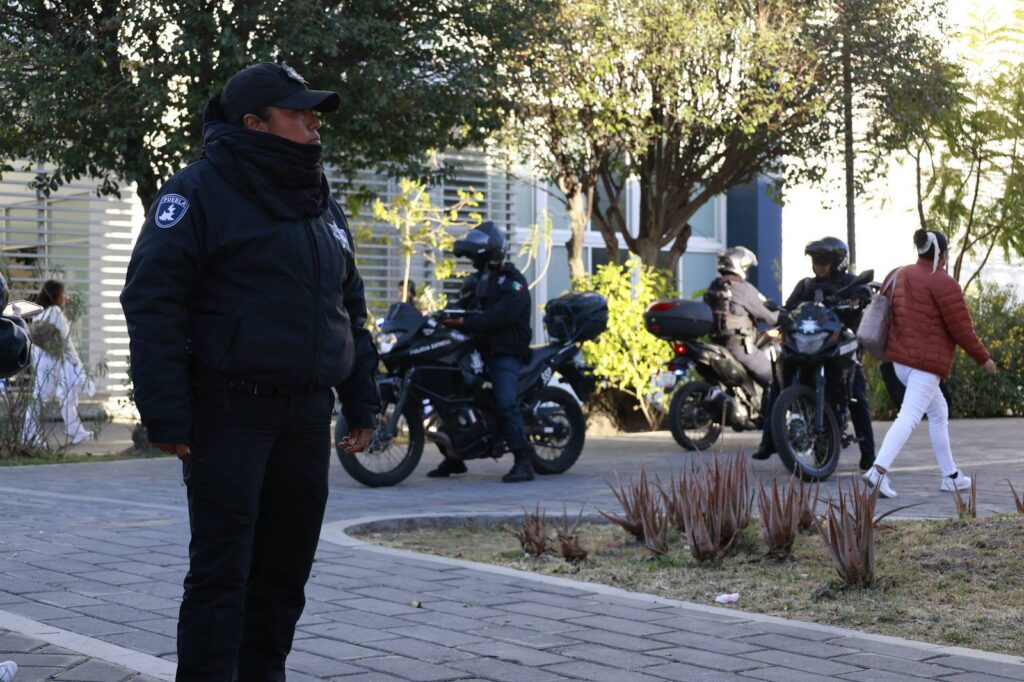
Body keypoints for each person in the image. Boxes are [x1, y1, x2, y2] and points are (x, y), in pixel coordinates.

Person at [120, 62, 380, 679]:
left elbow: (348, 306)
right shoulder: (196, 193)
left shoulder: (320, 202)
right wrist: (166, 412)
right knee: (222, 575)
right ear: (254, 123)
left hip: (306, 414)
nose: (314, 123)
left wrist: (362, 398)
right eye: (299, 112)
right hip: (228, 412)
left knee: (285, 574)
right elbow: (152, 301)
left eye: (315, 112)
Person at [863, 229, 995, 498]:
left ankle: (951, 476)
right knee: (909, 417)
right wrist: (984, 359)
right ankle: (877, 472)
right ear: (943, 255)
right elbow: (962, 330)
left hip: (900, 363)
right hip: (925, 366)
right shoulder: (944, 283)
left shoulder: (899, 274)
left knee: (938, 412)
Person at [753, 237, 876, 470]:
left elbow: (864, 292)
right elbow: (789, 308)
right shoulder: (806, 286)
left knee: (857, 394)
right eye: (816, 260)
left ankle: (868, 454)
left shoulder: (850, 283)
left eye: (824, 260)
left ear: (837, 262)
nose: (819, 265)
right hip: (806, 344)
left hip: (838, 345)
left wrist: (859, 299)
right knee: (777, 385)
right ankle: (769, 441)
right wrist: (783, 316)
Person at [431, 221, 536, 483]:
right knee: (452, 394)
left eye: (479, 258)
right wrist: (439, 317)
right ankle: (455, 456)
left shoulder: (513, 282)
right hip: (477, 349)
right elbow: (459, 306)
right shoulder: (476, 281)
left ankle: (523, 460)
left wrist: (465, 322)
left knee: (505, 400)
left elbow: (500, 316)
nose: (475, 263)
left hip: (505, 351)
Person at [22, 280, 95, 446]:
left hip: (43, 360)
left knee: (63, 396)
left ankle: (76, 431)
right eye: (62, 293)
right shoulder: (55, 311)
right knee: (41, 399)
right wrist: (75, 362)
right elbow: (65, 339)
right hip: (53, 362)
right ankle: (28, 436)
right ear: (55, 295)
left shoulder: (40, 311)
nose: (65, 296)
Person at [703, 246, 778, 386]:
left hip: (717, 344)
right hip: (739, 347)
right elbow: (769, 315)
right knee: (775, 379)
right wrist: (784, 315)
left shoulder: (715, 286)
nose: (747, 271)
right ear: (739, 266)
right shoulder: (742, 288)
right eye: (746, 268)